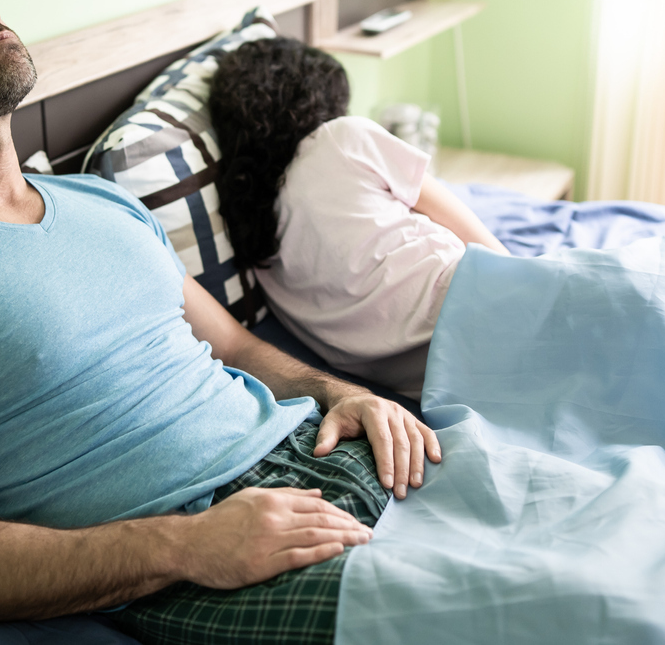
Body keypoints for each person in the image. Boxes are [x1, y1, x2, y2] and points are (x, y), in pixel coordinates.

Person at [0, 0, 440, 644]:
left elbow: (233, 345)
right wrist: (188, 546)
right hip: (202, 545)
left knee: (572, 524)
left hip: (324, 451)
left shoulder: (105, 203)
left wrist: (341, 393)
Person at [209, 37, 508, 391]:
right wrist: (526, 274)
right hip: (482, 303)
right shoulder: (339, 137)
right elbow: (465, 225)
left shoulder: (256, 249)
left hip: (437, 381)